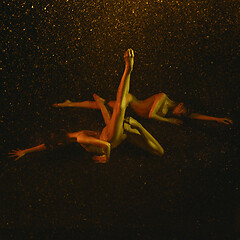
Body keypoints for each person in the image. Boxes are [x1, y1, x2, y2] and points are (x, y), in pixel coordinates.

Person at [9, 49, 164, 163]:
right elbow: (49, 145)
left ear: (62, 142)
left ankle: (127, 69)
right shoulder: (72, 134)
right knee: (159, 152)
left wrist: (105, 158)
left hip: (111, 137)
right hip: (116, 132)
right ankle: (133, 123)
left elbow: (106, 145)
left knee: (119, 108)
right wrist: (26, 151)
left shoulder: (80, 138)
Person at [54, 93, 232, 126]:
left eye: (182, 116)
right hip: (130, 99)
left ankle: (69, 103)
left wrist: (216, 119)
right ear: (179, 105)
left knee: (99, 106)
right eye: (181, 112)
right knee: (111, 118)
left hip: (131, 110)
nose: (181, 116)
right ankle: (99, 102)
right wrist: (169, 121)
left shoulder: (178, 110)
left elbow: (194, 116)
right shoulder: (163, 98)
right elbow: (151, 114)